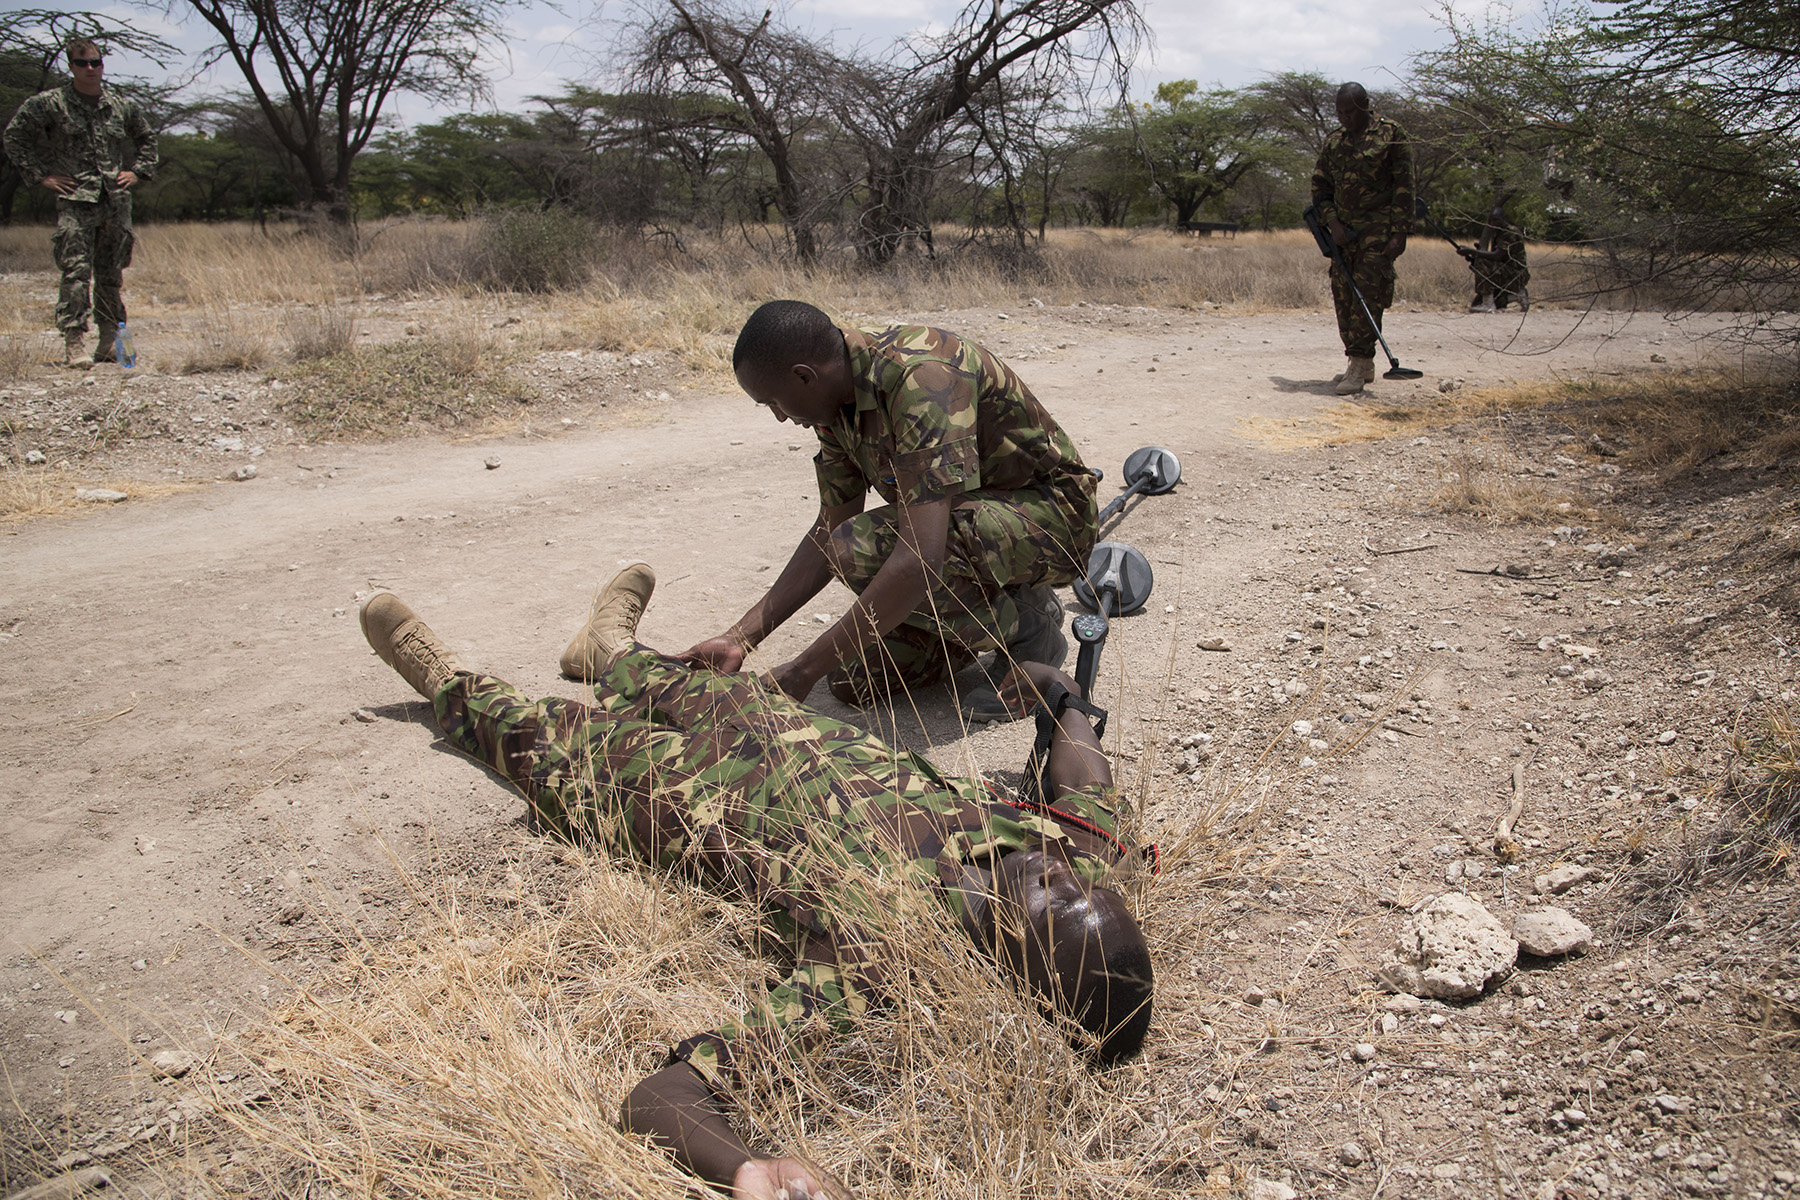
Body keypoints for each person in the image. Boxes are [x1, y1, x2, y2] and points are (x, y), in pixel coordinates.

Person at [360, 564, 1154, 1200]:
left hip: (689, 805)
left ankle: (443, 680)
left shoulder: (878, 965)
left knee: (543, 743)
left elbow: (663, 1096)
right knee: (696, 683)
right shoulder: (1055, 853)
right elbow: (1087, 784)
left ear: (1013, 954)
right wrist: (1064, 700)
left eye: (1058, 902)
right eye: (1087, 884)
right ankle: (607, 653)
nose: (1060, 870)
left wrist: (745, 1167)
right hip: (791, 735)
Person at [645, 300, 1097, 720]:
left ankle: (1027, 627)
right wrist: (740, 639)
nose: (780, 417)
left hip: (1052, 520)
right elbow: (829, 527)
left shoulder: (922, 378)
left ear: (805, 376)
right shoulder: (834, 403)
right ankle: (985, 617)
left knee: (858, 551)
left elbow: (919, 560)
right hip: (973, 528)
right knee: (851, 682)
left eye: (773, 403)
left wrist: (801, 671)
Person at [3, 38, 157, 370]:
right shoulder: (50, 104)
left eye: (96, 63)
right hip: (76, 201)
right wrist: (41, 176)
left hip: (115, 202)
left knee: (111, 274)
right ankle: (74, 343)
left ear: (103, 65)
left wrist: (138, 171)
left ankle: (112, 341)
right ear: (70, 66)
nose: (90, 69)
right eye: (82, 63)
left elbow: (146, 137)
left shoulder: (120, 105)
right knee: (75, 273)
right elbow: (14, 136)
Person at [1310, 82, 1412, 396]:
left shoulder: (1392, 135)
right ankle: (1363, 363)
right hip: (1344, 236)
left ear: (1366, 105)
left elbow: (1405, 186)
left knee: (1369, 297)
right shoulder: (1334, 142)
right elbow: (1320, 189)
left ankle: (1357, 363)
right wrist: (1332, 222)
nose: (1345, 118)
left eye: (1350, 111)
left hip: (1378, 233)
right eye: (1339, 112)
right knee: (1344, 298)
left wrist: (1400, 232)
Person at [1459, 204, 1530, 313]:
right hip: (1508, 272)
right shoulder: (1498, 233)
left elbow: (1497, 256)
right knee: (1476, 304)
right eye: (1490, 220)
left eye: (1496, 220)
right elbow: (1497, 258)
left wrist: (1473, 252)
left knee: (1482, 262)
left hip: (1516, 274)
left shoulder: (1509, 232)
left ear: (1503, 219)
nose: (1493, 223)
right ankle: (1518, 296)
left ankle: (1488, 304)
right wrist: (1475, 257)